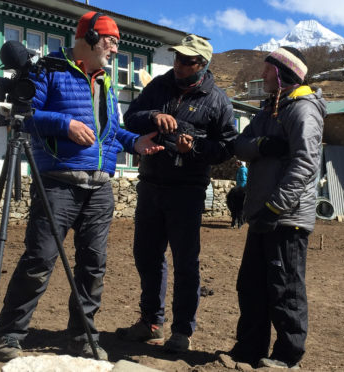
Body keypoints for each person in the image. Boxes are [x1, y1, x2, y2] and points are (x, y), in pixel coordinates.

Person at [0, 11, 163, 362]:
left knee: (93, 265)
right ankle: (9, 333)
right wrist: (64, 124)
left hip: (100, 187)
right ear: (89, 37)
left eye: (118, 42)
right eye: (112, 41)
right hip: (58, 182)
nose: (116, 48)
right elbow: (23, 114)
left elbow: (111, 131)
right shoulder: (50, 69)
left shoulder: (105, 80)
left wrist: (136, 143)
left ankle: (82, 336)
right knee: (39, 260)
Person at [115, 34, 237, 352]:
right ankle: (151, 323)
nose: (179, 65)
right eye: (178, 58)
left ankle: (182, 331)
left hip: (187, 191)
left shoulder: (218, 100)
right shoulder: (158, 86)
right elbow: (130, 118)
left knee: (185, 263)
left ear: (203, 64)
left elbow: (226, 147)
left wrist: (195, 147)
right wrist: (154, 116)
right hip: (151, 184)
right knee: (146, 256)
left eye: (188, 61)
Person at [230, 47, 326, 369]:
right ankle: (248, 350)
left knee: (285, 289)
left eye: (267, 69)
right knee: (252, 286)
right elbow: (239, 144)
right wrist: (261, 145)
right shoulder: (268, 110)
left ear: (283, 73)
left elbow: (305, 165)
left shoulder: (303, 112)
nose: (263, 74)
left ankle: (287, 358)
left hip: (286, 217)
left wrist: (276, 206)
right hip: (262, 213)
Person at [226, 160, 247, 228]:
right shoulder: (242, 169)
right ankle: (239, 221)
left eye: (238, 163)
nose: (237, 164)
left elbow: (243, 179)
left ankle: (238, 221)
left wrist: (241, 188)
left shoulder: (242, 170)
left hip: (241, 189)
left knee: (238, 206)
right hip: (240, 187)